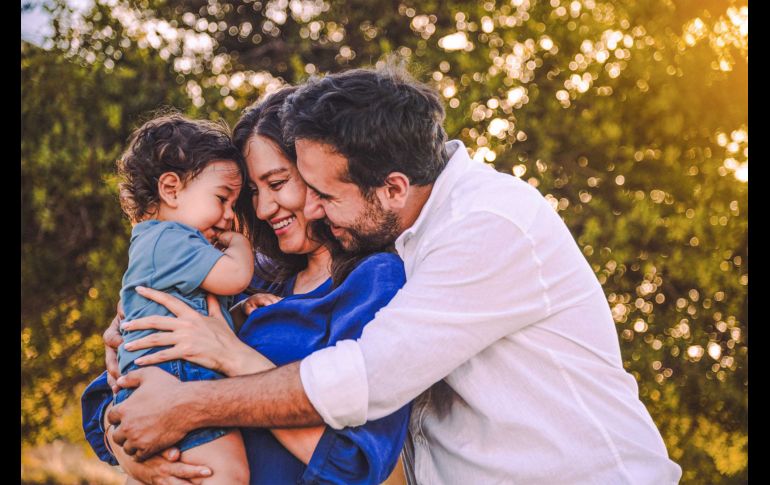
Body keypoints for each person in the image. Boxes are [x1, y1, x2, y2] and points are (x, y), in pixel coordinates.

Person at [102, 67, 683, 483]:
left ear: (393, 188)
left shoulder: (485, 225)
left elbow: (363, 383)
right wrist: (131, 437)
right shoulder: (289, 269)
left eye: (315, 190)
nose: (309, 208)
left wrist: (190, 403)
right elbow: (123, 390)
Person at [82, 87, 411, 484]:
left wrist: (229, 355)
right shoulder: (246, 276)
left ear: (317, 173)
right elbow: (105, 402)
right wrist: (137, 456)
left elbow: (353, 465)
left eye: (277, 182)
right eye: (253, 192)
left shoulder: (376, 281)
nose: (262, 208)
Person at [108, 112, 253, 484]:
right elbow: (235, 276)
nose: (228, 216)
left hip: (160, 378)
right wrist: (240, 244)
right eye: (222, 199)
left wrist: (242, 311)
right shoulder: (172, 238)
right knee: (226, 474)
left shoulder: (159, 244)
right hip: (176, 376)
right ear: (171, 189)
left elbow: (205, 316)